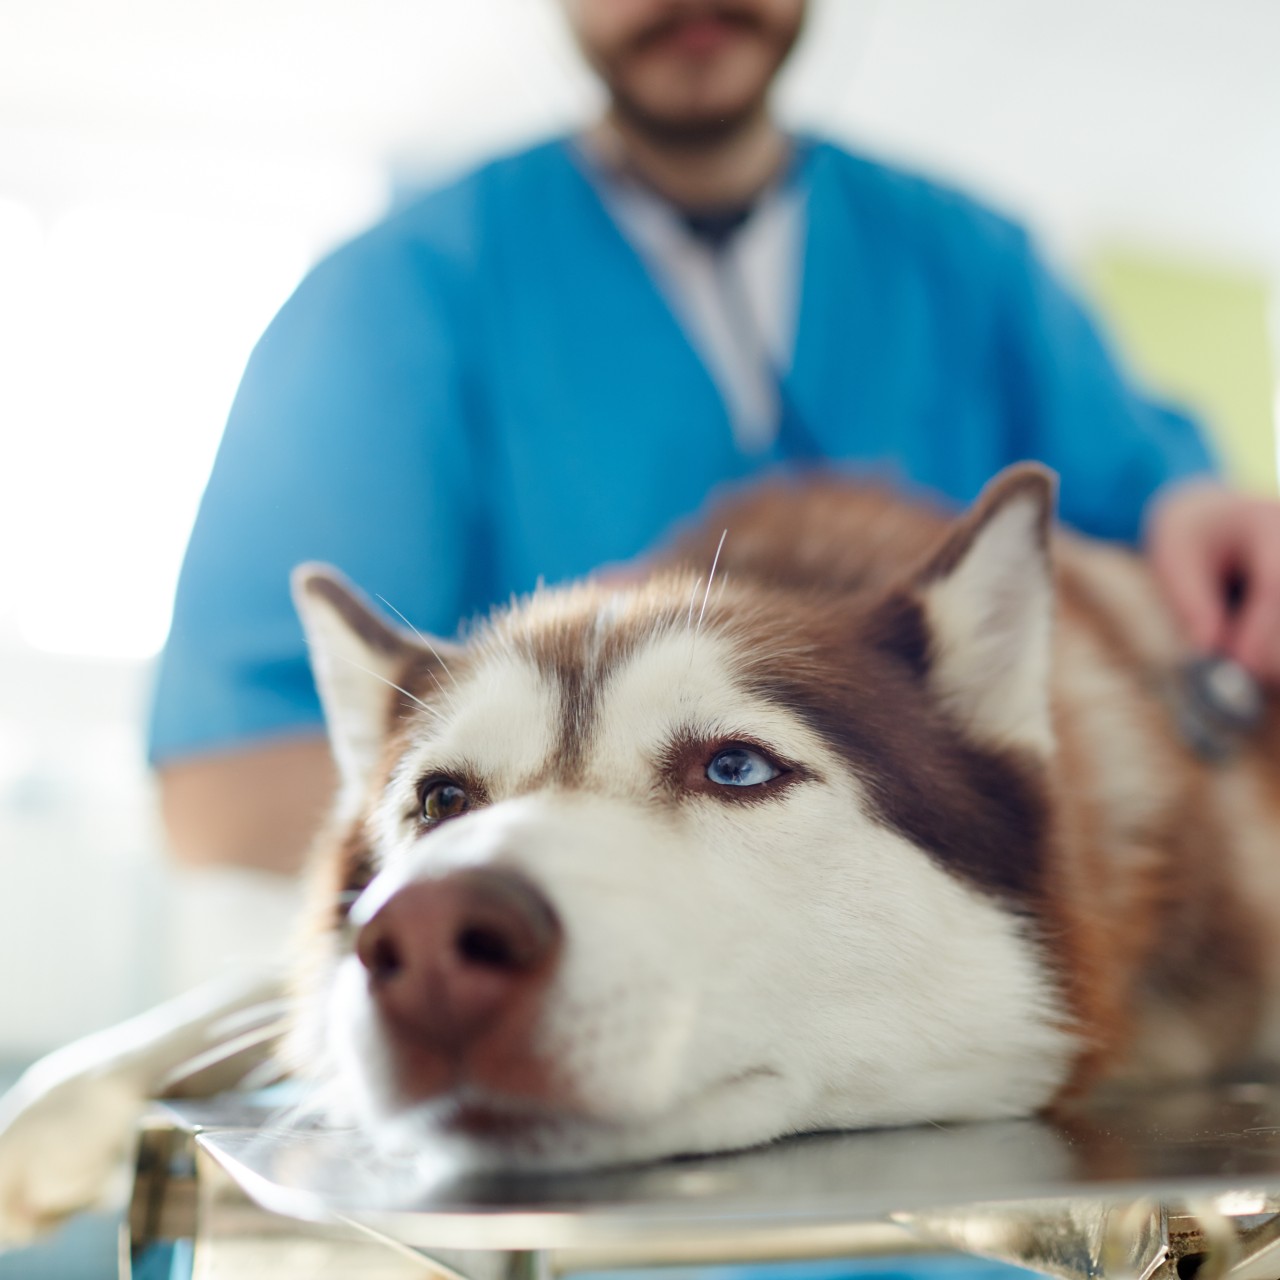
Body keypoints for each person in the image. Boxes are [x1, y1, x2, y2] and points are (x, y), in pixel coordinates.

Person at [150, 0, 1280, 875]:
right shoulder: (388, 303)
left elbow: (1161, 561)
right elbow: (219, 791)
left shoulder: (978, 269)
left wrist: (1199, 529)